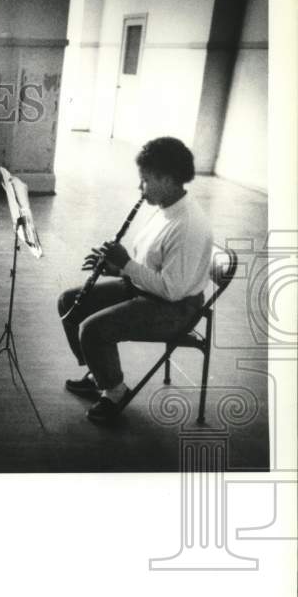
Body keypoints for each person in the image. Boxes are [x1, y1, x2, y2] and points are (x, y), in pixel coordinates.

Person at [57, 136, 213, 424]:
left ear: (166, 179)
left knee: (92, 330)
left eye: (145, 180)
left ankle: (114, 392)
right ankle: (100, 374)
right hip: (147, 291)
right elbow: (149, 264)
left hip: (175, 309)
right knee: (69, 302)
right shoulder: (165, 209)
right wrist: (118, 269)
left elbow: (172, 290)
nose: (139, 188)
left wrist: (126, 263)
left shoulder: (188, 225)